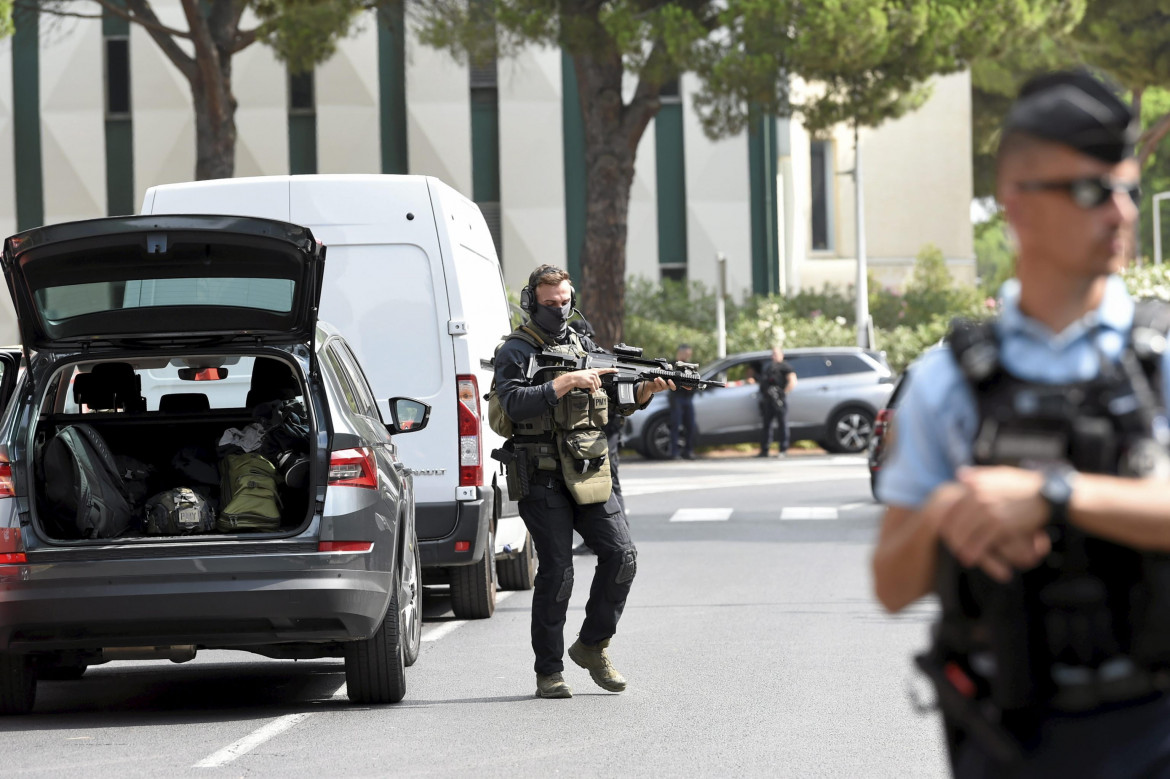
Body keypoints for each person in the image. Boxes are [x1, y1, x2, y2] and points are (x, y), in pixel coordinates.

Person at [872, 70, 1170, 777]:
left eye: (1128, 189)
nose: (1121, 212)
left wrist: (1053, 493)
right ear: (1019, 206)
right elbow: (890, 583)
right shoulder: (950, 383)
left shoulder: (1158, 361)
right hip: (1012, 741)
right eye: (1094, 191)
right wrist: (949, 508)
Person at [493, 264, 674, 699]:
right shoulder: (515, 350)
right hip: (540, 475)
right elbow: (512, 404)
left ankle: (593, 645)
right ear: (531, 302)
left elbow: (611, 402)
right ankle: (549, 671)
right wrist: (565, 381)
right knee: (558, 572)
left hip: (589, 468)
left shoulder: (583, 343)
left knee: (622, 557)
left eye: (564, 302)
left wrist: (644, 393)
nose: (559, 310)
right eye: (550, 303)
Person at [757, 346, 796, 457]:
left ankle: (783, 449)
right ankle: (765, 450)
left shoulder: (785, 367)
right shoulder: (769, 367)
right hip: (768, 400)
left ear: (782, 355)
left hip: (779, 401)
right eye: (773, 353)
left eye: (776, 353)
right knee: (766, 425)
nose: (774, 356)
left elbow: (792, 381)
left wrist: (782, 394)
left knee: (782, 424)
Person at [669, 343, 698, 460]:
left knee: (690, 426)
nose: (688, 356)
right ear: (680, 352)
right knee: (675, 426)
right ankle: (674, 452)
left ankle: (688, 451)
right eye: (687, 354)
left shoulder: (690, 366)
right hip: (677, 398)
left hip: (688, 398)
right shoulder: (672, 365)